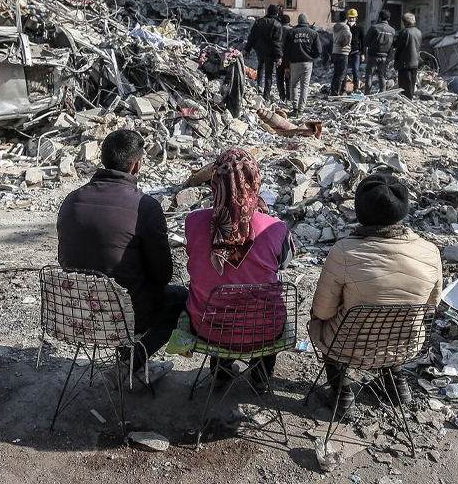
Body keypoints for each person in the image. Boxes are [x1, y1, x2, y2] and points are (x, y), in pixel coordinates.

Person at [56, 129, 187, 382]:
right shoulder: (145, 207)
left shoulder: (71, 200)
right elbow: (163, 275)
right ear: (136, 165)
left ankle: (128, 360)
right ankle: (131, 364)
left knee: (119, 286)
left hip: (75, 312)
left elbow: (65, 261)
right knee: (182, 299)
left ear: (102, 159)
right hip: (121, 315)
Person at [310, 174, 443, 413]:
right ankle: (397, 385)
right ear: (402, 211)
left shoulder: (343, 252)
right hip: (406, 345)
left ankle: (342, 393)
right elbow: (432, 305)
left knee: (319, 318)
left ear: (360, 211)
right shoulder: (430, 252)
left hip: (348, 347)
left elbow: (323, 311)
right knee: (394, 317)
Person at [184, 149, 293, 392]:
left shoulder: (193, 221)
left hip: (208, 328)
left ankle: (221, 372)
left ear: (215, 182)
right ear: (255, 181)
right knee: (262, 310)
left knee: (219, 305)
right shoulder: (276, 228)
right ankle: (261, 376)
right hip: (265, 330)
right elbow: (284, 263)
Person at [244, 4, 284, 102]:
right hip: (270, 53)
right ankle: (266, 95)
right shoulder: (277, 24)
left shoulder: (259, 22)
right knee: (269, 73)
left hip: (259, 50)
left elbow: (252, 37)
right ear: (277, 13)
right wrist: (279, 56)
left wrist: (247, 49)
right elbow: (276, 42)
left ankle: (259, 86)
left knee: (260, 66)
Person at [285, 13, 321, 114]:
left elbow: (286, 50)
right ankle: (301, 109)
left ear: (298, 21)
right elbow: (319, 50)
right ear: (307, 21)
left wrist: (286, 65)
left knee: (294, 85)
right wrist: (311, 56)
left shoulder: (291, 32)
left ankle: (295, 108)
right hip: (307, 63)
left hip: (294, 63)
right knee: (304, 86)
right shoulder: (313, 33)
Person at [391, 13, 423, 99]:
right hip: (415, 61)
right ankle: (410, 99)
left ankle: (407, 102)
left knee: (405, 85)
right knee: (411, 83)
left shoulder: (405, 32)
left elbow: (397, 45)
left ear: (404, 22)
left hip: (405, 62)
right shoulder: (418, 32)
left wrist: (396, 37)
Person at [364, 10, 395, 93]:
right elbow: (393, 45)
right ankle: (382, 93)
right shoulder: (392, 30)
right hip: (384, 56)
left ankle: (367, 94)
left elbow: (366, 42)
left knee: (369, 75)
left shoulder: (374, 28)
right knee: (382, 76)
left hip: (373, 55)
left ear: (379, 17)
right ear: (388, 18)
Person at [330, 11, 353, 96]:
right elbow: (349, 35)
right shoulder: (345, 27)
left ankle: (333, 90)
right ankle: (337, 92)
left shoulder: (335, 26)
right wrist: (346, 43)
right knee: (342, 74)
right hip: (343, 52)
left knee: (336, 73)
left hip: (335, 51)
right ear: (346, 19)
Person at [347, 10, 365, 93]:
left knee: (355, 69)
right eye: (350, 18)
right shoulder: (345, 27)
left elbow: (363, 41)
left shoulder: (360, 27)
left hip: (356, 51)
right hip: (346, 51)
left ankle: (356, 87)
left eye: (353, 18)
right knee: (344, 70)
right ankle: (343, 87)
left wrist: (363, 53)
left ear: (356, 18)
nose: (351, 19)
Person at [275, 13, 291, 102]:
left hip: (279, 56)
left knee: (279, 77)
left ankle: (282, 96)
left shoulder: (277, 30)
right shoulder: (292, 31)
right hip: (289, 58)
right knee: (288, 78)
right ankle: (289, 96)